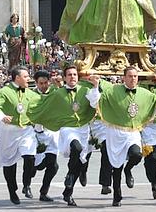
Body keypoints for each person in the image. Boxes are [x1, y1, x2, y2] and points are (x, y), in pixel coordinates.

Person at [28, 65, 100, 206]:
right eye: (69, 75)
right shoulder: (58, 93)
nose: (72, 77)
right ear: (65, 78)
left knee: (79, 161)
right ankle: (69, 175)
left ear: (78, 77)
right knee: (76, 148)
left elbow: (95, 102)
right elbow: (44, 104)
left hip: (83, 128)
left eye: (74, 74)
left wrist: (96, 86)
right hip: (67, 128)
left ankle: (68, 191)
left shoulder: (86, 90)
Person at [97, 66, 156, 207]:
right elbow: (99, 100)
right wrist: (96, 86)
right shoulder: (113, 91)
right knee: (116, 165)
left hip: (133, 131)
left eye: (135, 76)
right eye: (130, 76)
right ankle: (117, 195)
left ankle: (129, 169)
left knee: (136, 154)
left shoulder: (144, 93)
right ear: (124, 78)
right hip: (116, 131)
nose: (133, 79)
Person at [0, 66, 39, 205]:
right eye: (26, 76)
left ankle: (27, 183)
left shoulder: (30, 93)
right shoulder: (4, 92)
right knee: (9, 162)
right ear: (17, 78)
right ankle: (12, 190)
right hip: (9, 131)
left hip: (26, 129)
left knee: (30, 157)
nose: (28, 78)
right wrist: (1, 116)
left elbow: (43, 103)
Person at [32, 70, 59, 202]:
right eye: (41, 83)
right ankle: (27, 184)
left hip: (51, 133)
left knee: (53, 166)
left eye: (46, 83)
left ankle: (44, 192)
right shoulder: (30, 95)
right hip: (35, 135)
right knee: (35, 166)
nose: (44, 86)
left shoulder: (54, 93)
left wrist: (58, 84)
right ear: (36, 83)